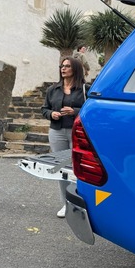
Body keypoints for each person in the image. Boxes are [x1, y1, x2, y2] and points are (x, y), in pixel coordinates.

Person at [41, 56, 87, 218]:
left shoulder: (85, 89)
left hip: (78, 132)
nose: (63, 68)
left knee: (79, 168)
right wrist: (51, 114)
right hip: (57, 132)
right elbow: (44, 109)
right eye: (62, 66)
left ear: (75, 69)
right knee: (62, 168)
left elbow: (91, 109)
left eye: (67, 66)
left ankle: (82, 203)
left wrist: (74, 111)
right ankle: (66, 204)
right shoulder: (53, 89)